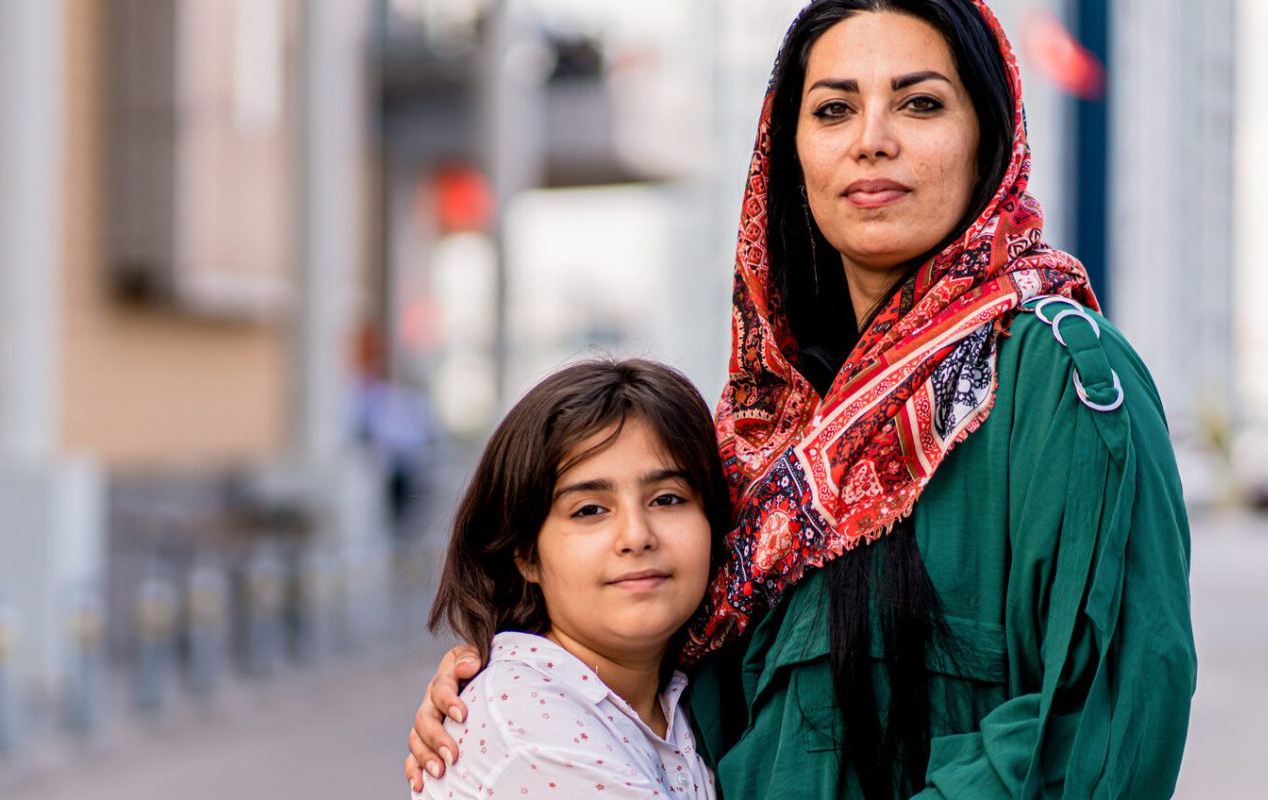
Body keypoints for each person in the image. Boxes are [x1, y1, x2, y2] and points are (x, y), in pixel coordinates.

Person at [406, 1, 1196, 797]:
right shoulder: (770, 425)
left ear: (988, 138)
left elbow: (1098, 722)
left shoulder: (1056, 378)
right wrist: (510, 689)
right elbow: (656, 659)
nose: (872, 138)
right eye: (834, 109)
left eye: (921, 103)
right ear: (792, 156)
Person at [414, 358, 732, 799]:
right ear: (524, 553)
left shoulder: (689, 694)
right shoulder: (529, 727)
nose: (636, 536)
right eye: (590, 510)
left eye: (667, 498)